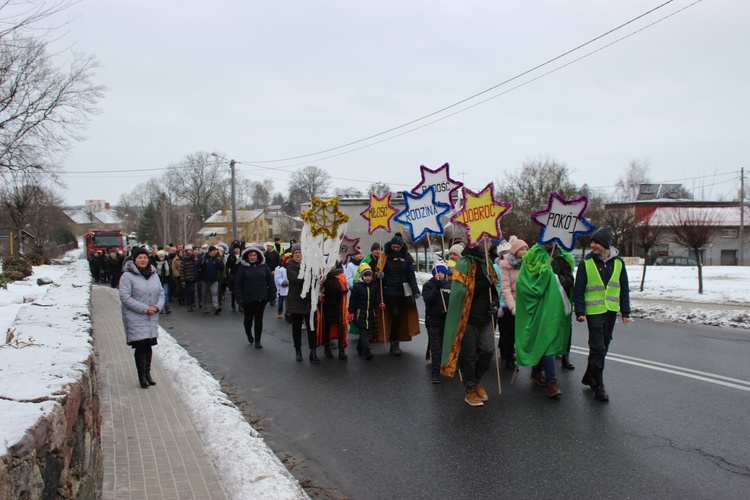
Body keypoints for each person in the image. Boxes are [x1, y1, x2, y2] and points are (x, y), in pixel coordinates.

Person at [574, 226, 630, 402]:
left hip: (611, 311)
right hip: (593, 312)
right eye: (592, 242)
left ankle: (589, 376)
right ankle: (599, 384)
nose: (593, 245)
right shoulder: (586, 263)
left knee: (603, 347)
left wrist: (625, 311)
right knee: (597, 347)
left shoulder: (619, 263)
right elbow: (579, 289)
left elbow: (624, 289)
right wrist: (580, 311)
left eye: (596, 242)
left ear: (605, 244)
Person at [441, 238, 499, 406]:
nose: (490, 245)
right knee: (470, 355)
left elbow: (493, 289)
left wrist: (494, 303)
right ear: (478, 243)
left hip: (485, 317)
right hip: (468, 319)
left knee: (488, 350)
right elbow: (463, 292)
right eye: (487, 242)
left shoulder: (486, 263)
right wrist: (484, 283)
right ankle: (469, 390)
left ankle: (478, 381)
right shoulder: (463, 264)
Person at [514, 244, 574, 398]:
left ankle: (551, 381)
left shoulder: (562, 258)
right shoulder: (532, 258)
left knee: (548, 342)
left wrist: (557, 279)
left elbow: (569, 280)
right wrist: (546, 277)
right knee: (541, 341)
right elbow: (524, 285)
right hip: (536, 309)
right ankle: (543, 376)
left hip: (553, 307)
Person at [119, 246, 165, 389]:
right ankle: (142, 376)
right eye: (140, 257)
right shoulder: (127, 276)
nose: (143, 260)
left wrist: (157, 307)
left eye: (145, 257)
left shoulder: (153, 274)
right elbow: (125, 298)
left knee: (149, 345)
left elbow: (161, 293)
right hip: (136, 316)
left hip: (152, 316)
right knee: (141, 346)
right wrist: (145, 309)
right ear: (134, 260)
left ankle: (148, 374)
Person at [375, 233, 420, 355]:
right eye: (394, 247)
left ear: (401, 247)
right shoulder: (384, 257)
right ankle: (394, 342)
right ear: (390, 246)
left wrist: (415, 291)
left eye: (398, 247)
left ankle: (396, 341)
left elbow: (411, 276)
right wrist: (380, 275)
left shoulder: (407, 259)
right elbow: (377, 273)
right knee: (394, 314)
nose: (395, 249)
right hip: (389, 291)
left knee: (400, 316)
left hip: (404, 292)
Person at [235, 246, 276, 349]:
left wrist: (272, 293)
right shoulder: (243, 268)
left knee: (259, 319)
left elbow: (270, 280)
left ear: (258, 256)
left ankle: (258, 340)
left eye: (254, 255)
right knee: (248, 320)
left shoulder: (263, 267)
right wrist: (239, 297)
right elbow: (238, 283)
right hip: (247, 298)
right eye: (250, 255)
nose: (252, 257)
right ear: (247, 256)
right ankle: (249, 334)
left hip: (260, 297)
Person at [500, 236, 529, 373]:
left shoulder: (529, 265)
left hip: (527, 306)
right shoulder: (507, 267)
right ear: (515, 251)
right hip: (513, 307)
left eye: (526, 249)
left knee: (524, 334)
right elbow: (505, 289)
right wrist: (512, 307)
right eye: (522, 249)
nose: (524, 251)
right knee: (510, 334)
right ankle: (509, 359)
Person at [285, 245, 318, 362]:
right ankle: (298, 350)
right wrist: (309, 275)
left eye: (300, 252)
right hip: (296, 301)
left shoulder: (310, 265)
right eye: (296, 253)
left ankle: (313, 351)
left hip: (309, 301)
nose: (298, 254)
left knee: (312, 328)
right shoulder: (290, 266)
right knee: (297, 328)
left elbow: (316, 279)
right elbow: (295, 279)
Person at [422, 262, 451, 383]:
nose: (440, 275)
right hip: (433, 321)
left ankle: (444, 366)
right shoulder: (428, 285)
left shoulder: (449, 286)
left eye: (442, 273)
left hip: (445, 321)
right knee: (435, 347)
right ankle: (435, 372)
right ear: (434, 274)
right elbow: (428, 300)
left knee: (444, 345)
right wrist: (436, 288)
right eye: (437, 273)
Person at [348, 263, 382, 360]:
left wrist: (380, 304)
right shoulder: (357, 287)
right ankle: (367, 350)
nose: (367, 278)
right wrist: (351, 312)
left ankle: (359, 347)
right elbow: (353, 301)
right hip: (360, 314)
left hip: (370, 314)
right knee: (364, 332)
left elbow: (375, 299)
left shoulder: (374, 287)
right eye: (365, 275)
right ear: (362, 276)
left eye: (369, 275)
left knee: (367, 332)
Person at [317, 262, 350, 360]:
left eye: (332, 263)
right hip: (327, 306)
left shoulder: (341, 275)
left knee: (341, 327)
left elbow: (337, 290)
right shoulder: (324, 275)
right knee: (327, 327)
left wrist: (325, 282)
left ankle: (341, 349)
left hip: (339, 306)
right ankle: (327, 347)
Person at [197, 245, 225, 315]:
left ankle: (215, 306)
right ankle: (205, 306)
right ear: (210, 252)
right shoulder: (203, 259)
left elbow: (221, 269)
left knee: (214, 293)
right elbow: (196, 266)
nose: (215, 253)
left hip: (214, 280)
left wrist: (221, 263)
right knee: (205, 294)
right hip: (205, 280)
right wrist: (197, 275)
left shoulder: (217, 259)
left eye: (216, 251)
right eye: (214, 251)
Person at [154, 250, 172, 314]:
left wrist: (170, 280)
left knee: (165, 293)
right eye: (160, 257)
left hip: (165, 281)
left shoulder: (166, 263)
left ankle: (167, 307)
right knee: (158, 294)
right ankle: (160, 307)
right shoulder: (155, 263)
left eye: (163, 257)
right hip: (157, 281)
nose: (162, 258)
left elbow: (169, 272)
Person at [181, 246, 197, 312]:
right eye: (188, 250)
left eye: (190, 250)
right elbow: (181, 270)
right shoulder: (184, 259)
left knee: (193, 291)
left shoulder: (193, 258)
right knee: (187, 292)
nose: (189, 251)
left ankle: (192, 303)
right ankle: (188, 304)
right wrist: (182, 280)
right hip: (186, 278)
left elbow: (196, 265)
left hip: (193, 278)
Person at [274, 254, 290, 319]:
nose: (288, 261)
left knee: (288, 302)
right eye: (287, 260)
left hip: (289, 288)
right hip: (282, 288)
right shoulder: (279, 269)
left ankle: (288, 314)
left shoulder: (290, 267)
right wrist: (283, 282)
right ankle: (280, 312)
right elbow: (277, 278)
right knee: (281, 301)